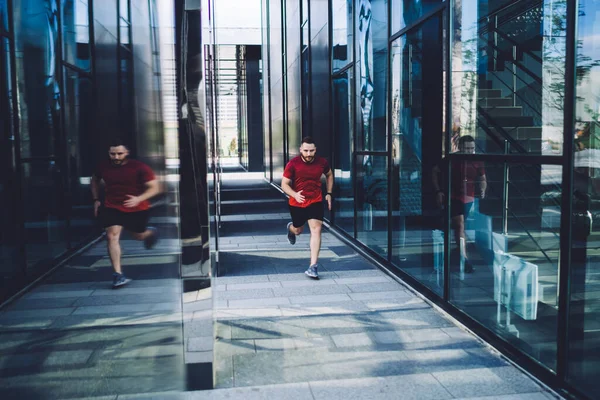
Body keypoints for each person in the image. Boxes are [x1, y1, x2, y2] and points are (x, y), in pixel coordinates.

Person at [91, 140, 160, 288]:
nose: (116, 157)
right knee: (111, 236)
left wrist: (139, 199)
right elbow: (95, 179)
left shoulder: (140, 167)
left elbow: (155, 188)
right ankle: (118, 275)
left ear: (127, 153)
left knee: (138, 236)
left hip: (137, 208)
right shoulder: (103, 166)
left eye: (119, 154)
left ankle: (150, 233)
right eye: (112, 154)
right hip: (112, 206)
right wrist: (96, 199)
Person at [432, 135, 486, 273]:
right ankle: (464, 258)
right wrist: (438, 190)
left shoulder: (477, 161)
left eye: (472, 148)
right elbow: (434, 171)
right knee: (460, 224)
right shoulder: (452, 158)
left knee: (459, 226)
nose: (469, 151)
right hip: (453, 196)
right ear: (460, 147)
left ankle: (457, 249)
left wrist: (483, 189)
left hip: (469, 198)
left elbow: (482, 177)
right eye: (467, 148)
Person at [282, 137, 334, 279]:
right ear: (300, 150)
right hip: (297, 202)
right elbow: (284, 184)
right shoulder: (293, 164)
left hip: (315, 200)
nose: (309, 154)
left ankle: (313, 266)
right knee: (299, 230)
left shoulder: (322, 162)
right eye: (306, 151)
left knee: (316, 230)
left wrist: (328, 193)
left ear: (315, 150)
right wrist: (294, 194)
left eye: (311, 151)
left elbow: (329, 175)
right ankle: (290, 229)